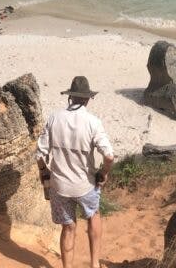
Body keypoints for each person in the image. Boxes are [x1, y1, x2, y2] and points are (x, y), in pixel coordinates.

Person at [36, 75, 115, 268]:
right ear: (87, 99)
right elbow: (109, 156)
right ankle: (95, 264)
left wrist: (45, 173)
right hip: (85, 185)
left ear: (70, 97)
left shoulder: (54, 118)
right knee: (93, 216)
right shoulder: (93, 122)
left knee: (68, 228)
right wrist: (103, 173)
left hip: (60, 186)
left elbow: (39, 155)